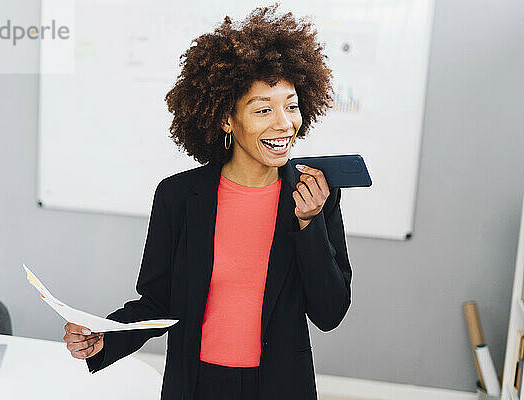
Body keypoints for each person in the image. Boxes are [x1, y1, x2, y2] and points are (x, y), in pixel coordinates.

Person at [62, 4, 352, 399]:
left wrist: (309, 222)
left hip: (281, 386)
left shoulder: (316, 195)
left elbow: (330, 313)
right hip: (195, 385)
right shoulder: (179, 196)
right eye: (263, 109)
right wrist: (106, 337)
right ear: (226, 119)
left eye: (291, 105)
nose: (284, 123)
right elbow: (157, 301)